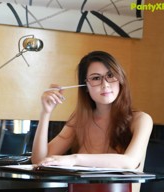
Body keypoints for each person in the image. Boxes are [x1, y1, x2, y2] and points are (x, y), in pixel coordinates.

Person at [31, 51, 153, 191]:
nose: (105, 84)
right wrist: (46, 112)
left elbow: (129, 162)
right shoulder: (80, 119)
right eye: (96, 78)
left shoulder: (141, 120)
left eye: (110, 75)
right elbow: (39, 159)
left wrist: (74, 159)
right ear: (86, 87)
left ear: (120, 79)